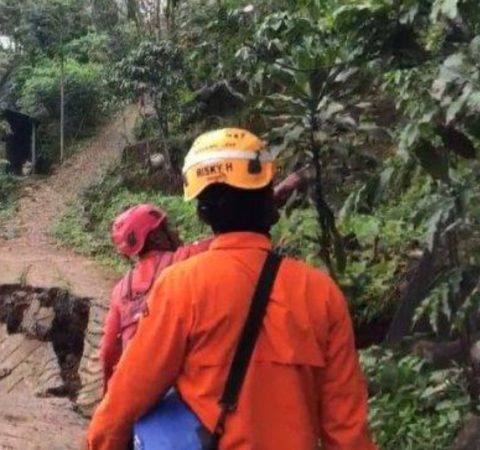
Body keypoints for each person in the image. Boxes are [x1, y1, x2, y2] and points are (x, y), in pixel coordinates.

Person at [86, 128, 376, 450]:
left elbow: (129, 392)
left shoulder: (181, 285)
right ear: (270, 203)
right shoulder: (322, 295)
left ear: (202, 211)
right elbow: (348, 431)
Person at [101, 205, 211, 392]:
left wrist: (109, 394)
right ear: (156, 235)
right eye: (167, 227)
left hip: (130, 385)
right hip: (172, 385)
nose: (174, 232)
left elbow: (108, 351)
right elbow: (229, 239)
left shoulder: (120, 289)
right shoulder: (183, 258)